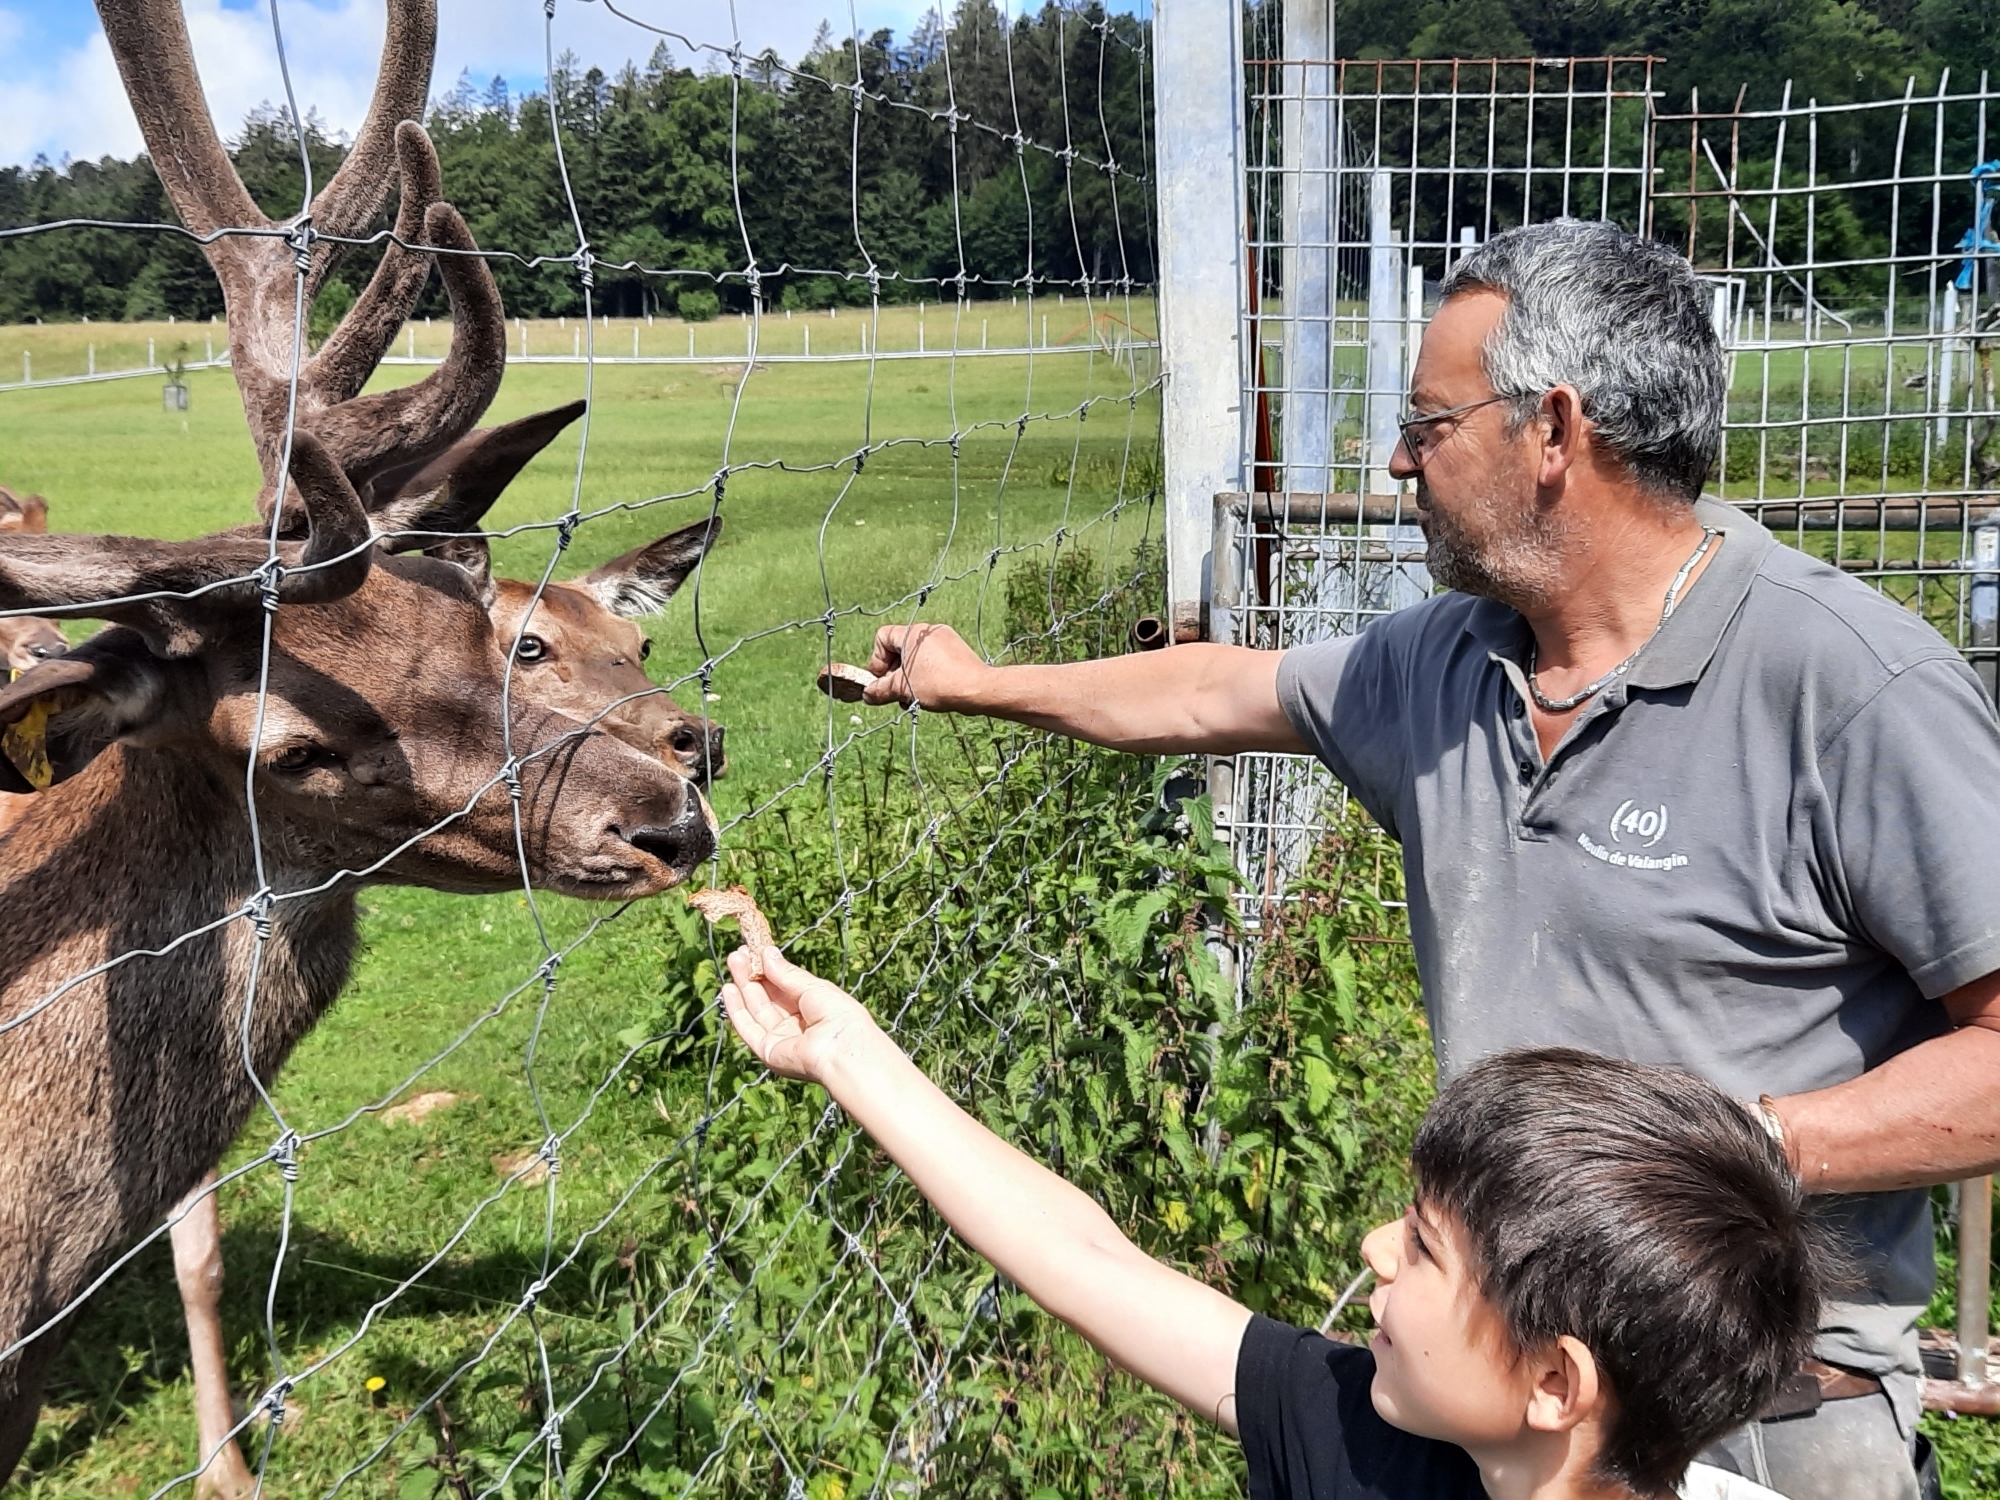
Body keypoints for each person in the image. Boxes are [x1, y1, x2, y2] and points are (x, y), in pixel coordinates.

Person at [854, 218, 2000, 1500]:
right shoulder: (1450, 662)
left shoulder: (1848, 689)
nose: (1398, 459)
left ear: (1552, 432)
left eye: (1431, 425)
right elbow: (1212, 690)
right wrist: (978, 684)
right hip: (1508, 1403)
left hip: (1774, 1418)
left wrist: (1735, 1147)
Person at [719, 944, 1822, 1500]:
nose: (1371, 1251)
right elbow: (1082, 1257)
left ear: (1552, 1383)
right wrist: (845, 1053)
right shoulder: (1372, 1441)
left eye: (1424, 1248)